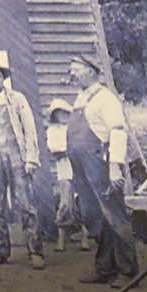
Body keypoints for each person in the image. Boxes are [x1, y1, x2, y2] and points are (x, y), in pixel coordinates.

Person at [66, 55, 138, 288]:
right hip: (82, 168)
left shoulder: (105, 98)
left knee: (115, 216)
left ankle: (128, 271)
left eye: (76, 69)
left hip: (102, 165)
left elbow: (117, 131)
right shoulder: (81, 98)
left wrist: (115, 167)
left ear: (90, 71)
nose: (72, 73)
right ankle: (105, 268)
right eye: (71, 69)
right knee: (93, 217)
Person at [0, 53, 45, 270]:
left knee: (26, 204)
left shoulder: (17, 99)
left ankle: (35, 251)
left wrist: (31, 158)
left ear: (3, 79)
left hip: (17, 156)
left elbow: (29, 130)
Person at [44, 98, 90, 253]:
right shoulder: (53, 130)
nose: (62, 116)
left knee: (83, 203)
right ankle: (61, 238)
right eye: (58, 113)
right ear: (54, 115)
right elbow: (55, 149)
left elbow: (85, 146)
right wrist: (72, 149)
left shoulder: (76, 128)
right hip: (65, 171)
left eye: (64, 112)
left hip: (81, 171)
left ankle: (85, 237)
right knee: (65, 204)